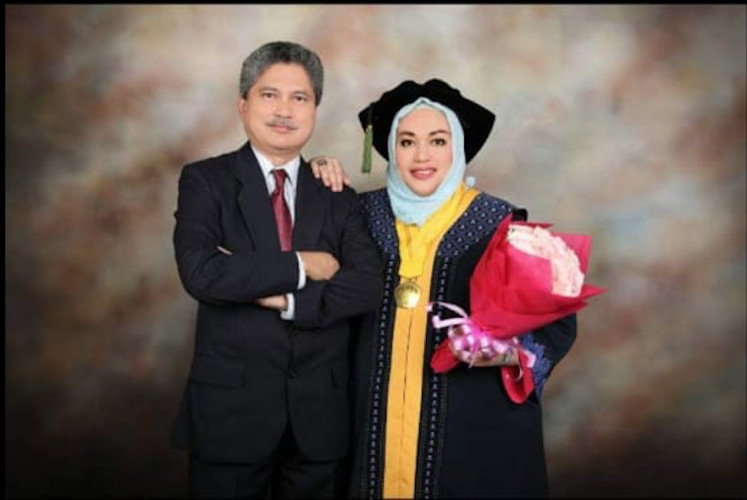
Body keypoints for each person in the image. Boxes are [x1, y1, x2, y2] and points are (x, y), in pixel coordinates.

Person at [311, 79, 577, 498]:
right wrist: (312, 174)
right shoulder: (357, 216)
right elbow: (293, 240)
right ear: (388, 150)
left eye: (437, 141)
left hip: (470, 436)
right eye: (407, 141)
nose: (421, 156)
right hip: (366, 425)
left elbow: (554, 324)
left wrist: (506, 352)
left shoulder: (498, 223)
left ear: (458, 149)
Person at [170, 41, 383, 498]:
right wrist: (302, 265)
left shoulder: (338, 193)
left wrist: (286, 297)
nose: (284, 110)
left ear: (315, 109)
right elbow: (202, 273)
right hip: (230, 414)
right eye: (270, 95)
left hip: (319, 421)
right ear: (243, 104)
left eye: (300, 98)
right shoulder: (206, 181)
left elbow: (367, 284)